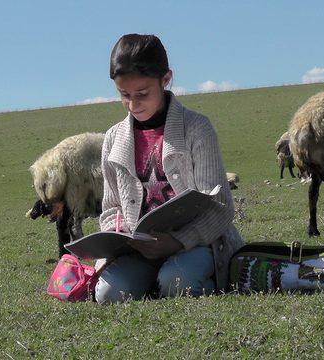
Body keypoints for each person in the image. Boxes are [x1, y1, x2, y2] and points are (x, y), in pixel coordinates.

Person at [95, 34, 243, 304]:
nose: (133, 104)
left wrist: (177, 241)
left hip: (198, 244)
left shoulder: (197, 129)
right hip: (139, 250)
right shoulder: (113, 139)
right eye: (124, 95)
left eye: (142, 94)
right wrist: (118, 234)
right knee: (108, 293)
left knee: (178, 281)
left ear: (166, 79)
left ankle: (191, 280)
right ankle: (156, 282)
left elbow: (220, 206)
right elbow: (111, 208)